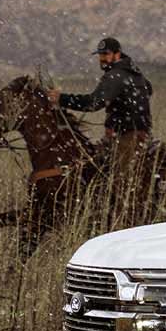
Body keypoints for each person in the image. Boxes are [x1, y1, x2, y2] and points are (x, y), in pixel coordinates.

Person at [48, 37, 154, 216]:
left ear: (117, 54)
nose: (102, 59)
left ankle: (122, 224)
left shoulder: (117, 75)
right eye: (100, 55)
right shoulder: (133, 72)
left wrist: (61, 98)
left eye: (106, 54)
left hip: (127, 137)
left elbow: (93, 103)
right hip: (133, 134)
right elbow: (149, 89)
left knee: (121, 186)